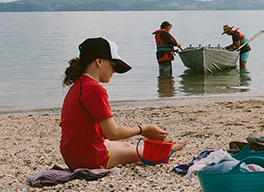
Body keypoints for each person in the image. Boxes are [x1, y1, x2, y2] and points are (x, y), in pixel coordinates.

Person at [60, 37, 186, 170]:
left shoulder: (79, 84)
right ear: (99, 61)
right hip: (89, 160)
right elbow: (112, 133)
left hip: (72, 156)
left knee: (126, 146)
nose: (114, 71)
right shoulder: (94, 89)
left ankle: (164, 148)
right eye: (113, 66)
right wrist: (143, 129)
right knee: (148, 154)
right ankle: (165, 150)